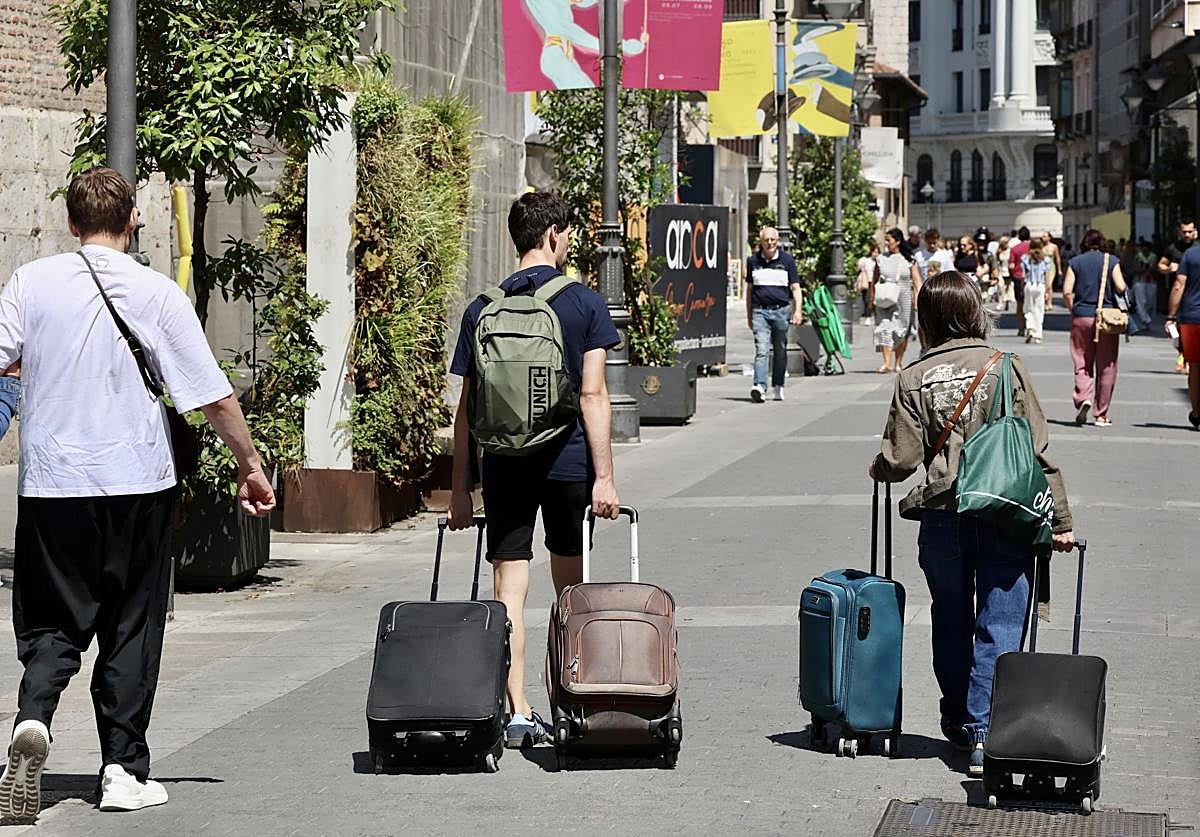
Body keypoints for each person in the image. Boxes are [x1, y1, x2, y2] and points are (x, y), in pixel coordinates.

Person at [0, 167, 275, 819]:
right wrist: (250, 463)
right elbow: (211, 396)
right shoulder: (157, 293)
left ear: (71, 222)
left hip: (51, 484)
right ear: (132, 220)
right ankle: (123, 769)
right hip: (137, 485)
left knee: (51, 620)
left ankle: (33, 717)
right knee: (130, 624)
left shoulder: (30, 283)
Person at [869, 270, 1076, 776]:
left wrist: (879, 468)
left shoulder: (914, 377)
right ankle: (987, 729)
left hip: (943, 517)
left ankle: (960, 719)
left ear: (927, 319)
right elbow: (1035, 450)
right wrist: (1060, 518)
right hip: (1005, 512)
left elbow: (900, 459)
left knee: (950, 618)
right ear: (974, 312)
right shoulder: (1005, 366)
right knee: (1000, 622)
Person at [449, 191, 621, 749]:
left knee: (510, 590)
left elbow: (466, 410)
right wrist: (605, 477)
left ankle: (517, 710)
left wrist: (460, 489)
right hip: (567, 463)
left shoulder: (482, 308)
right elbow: (593, 396)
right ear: (553, 235)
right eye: (566, 233)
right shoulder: (585, 304)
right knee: (569, 588)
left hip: (504, 463)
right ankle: (569, 699)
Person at [1063, 229, 1128, 427]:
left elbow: (1067, 291)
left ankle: (1083, 397)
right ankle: (1101, 414)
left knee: (1081, 362)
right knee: (1107, 366)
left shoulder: (1075, 262)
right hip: (1106, 319)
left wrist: (1074, 310)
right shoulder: (1112, 260)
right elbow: (1121, 286)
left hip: (1082, 316)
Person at [745, 226, 804, 402]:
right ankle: (759, 386)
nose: (770, 243)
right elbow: (749, 290)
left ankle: (778, 385)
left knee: (780, 349)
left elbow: (795, 288)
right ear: (761, 242)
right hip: (760, 311)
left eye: (773, 240)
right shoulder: (752, 261)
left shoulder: (787, 261)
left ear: (777, 241)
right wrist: (749, 315)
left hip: (781, 311)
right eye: (766, 240)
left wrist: (798, 311)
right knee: (761, 350)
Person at [872, 227, 920, 373]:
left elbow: (916, 280)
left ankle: (898, 362)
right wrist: (871, 298)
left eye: (889, 240)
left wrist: (917, 299)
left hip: (903, 299)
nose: (886, 243)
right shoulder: (881, 259)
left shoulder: (909, 259)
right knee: (884, 327)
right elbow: (874, 279)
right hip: (884, 298)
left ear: (898, 241)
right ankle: (887, 363)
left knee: (901, 330)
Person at [1168, 238, 1200, 428]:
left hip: (1193, 318)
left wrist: (1171, 316)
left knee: (1194, 367)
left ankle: (1196, 413)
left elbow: (1179, 285)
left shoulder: (1191, 254)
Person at [1158, 219, 1196, 374]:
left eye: (1190, 231)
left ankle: (1188, 357)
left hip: (1194, 293)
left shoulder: (1197, 248)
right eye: (1184, 232)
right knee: (1176, 327)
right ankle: (1181, 352)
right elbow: (1160, 264)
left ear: (1195, 231)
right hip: (1177, 292)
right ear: (1180, 232)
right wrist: (1168, 269)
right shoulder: (1174, 248)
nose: (1187, 235)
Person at [1020, 240, 1053, 344]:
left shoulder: (1025, 258)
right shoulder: (1045, 259)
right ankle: (1038, 335)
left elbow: (1023, 275)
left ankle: (1030, 328)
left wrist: (1022, 287)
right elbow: (1047, 276)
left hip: (1029, 284)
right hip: (1040, 285)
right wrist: (1048, 290)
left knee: (1028, 308)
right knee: (1039, 310)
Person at [1008, 226, 1032, 336]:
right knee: (1031, 303)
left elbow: (1011, 265)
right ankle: (1030, 327)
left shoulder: (1014, 249)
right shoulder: (1033, 248)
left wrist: (1012, 275)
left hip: (1018, 277)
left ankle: (1021, 328)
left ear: (1019, 236)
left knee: (1020, 303)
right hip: (1031, 278)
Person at [1132, 239, 1159, 334]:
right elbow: (1135, 268)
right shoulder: (1138, 256)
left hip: (1151, 281)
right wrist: (1145, 270)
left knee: (1150, 303)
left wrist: (1148, 270)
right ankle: (1145, 319)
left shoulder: (1153, 256)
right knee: (1141, 302)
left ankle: (1146, 322)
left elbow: (1155, 268)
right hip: (1140, 281)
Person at [855, 242, 880, 326]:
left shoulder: (879, 262)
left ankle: (875, 316)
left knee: (876, 300)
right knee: (867, 300)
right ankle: (868, 316)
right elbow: (858, 267)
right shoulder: (866, 260)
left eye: (877, 252)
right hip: (867, 282)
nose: (875, 254)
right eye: (874, 252)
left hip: (876, 283)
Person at [994, 235, 1012, 310]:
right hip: (1001, 271)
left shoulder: (1010, 251)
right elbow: (997, 262)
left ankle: (1007, 301)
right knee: (1000, 286)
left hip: (1009, 271)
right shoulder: (999, 251)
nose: (1006, 244)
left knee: (1008, 287)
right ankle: (1000, 302)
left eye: (1006, 242)